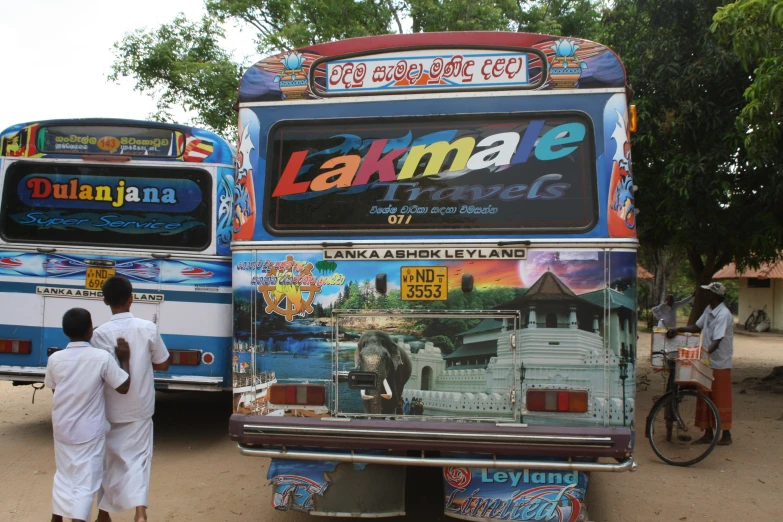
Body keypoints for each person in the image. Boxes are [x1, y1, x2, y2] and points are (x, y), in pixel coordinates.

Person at [93, 276, 170, 522]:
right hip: (140, 407)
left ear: (105, 301)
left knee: (108, 460)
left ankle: (103, 513)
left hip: (109, 408)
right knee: (138, 461)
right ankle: (140, 512)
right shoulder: (147, 328)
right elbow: (163, 363)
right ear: (131, 298)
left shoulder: (99, 335)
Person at [45, 308, 131, 522]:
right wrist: (124, 359)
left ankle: (57, 518)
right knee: (85, 483)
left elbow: (56, 390)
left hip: (62, 428)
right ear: (89, 332)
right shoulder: (100, 357)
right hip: (89, 431)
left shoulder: (55, 359)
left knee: (64, 476)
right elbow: (123, 386)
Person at [667, 282, 734, 446]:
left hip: (720, 363)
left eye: (708, 293)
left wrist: (702, 356)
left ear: (715, 296)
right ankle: (708, 433)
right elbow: (697, 327)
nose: (705, 295)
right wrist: (679, 329)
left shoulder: (723, 314)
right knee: (704, 396)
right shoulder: (709, 310)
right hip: (707, 361)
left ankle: (726, 434)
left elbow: (717, 341)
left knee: (720, 398)